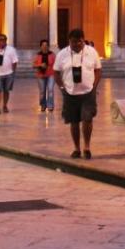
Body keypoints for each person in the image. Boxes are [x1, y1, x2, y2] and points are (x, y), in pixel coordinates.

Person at [53, 28, 102, 159]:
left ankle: (87, 146)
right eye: (74, 42)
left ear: (83, 40)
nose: (77, 45)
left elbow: (98, 70)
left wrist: (94, 85)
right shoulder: (62, 54)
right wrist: (62, 88)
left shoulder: (92, 52)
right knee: (74, 121)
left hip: (88, 92)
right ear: (69, 41)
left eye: (80, 42)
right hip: (70, 93)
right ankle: (76, 148)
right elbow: (56, 72)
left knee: (87, 119)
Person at [0, 33, 19, 113]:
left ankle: (5, 105)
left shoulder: (11, 49)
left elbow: (15, 61)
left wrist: (13, 72)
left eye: (4, 40)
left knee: (6, 91)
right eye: (1, 40)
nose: (3, 41)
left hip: (8, 73)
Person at [31, 39, 55, 113]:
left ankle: (50, 105)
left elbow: (56, 64)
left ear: (48, 46)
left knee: (50, 90)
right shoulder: (38, 55)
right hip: (40, 75)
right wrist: (40, 65)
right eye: (43, 45)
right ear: (40, 46)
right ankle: (43, 105)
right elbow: (33, 65)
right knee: (42, 91)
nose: (45, 47)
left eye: (46, 45)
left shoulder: (52, 55)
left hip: (51, 74)